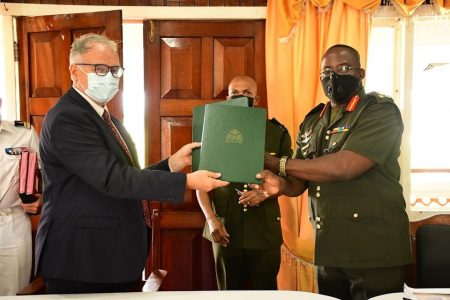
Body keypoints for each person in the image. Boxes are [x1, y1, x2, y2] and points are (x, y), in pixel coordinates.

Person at [35, 33, 228, 294]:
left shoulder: (106, 118)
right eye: (100, 69)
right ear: (74, 71)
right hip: (82, 258)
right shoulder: (68, 117)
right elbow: (113, 179)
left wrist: (172, 163)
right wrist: (187, 181)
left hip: (108, 256)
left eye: (115, 70)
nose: (110, 76)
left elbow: (126, 175)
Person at [258, 44, 412, 299]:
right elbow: (298, 181)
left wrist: (278, 163)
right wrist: (279, 185)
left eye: (343, 68)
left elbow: (345, 166)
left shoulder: (379, 110)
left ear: (360, 73)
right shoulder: (313, 120)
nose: (334, 76)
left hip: (374, 249)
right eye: (326, 71)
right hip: (330, 248)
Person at [196, 75, 293, 290]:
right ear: (228, 98)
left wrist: (266, 193)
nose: (241, 97)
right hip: (225, 230)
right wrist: (211, 220)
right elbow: (198, 183)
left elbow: (290, 180)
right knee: (228, 294)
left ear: (256, 99)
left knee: (266, 293)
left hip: (264, 231)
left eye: (247, 93)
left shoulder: (276, 133)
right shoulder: (212, 130)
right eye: (235, 94)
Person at [0, 97, 42, 295]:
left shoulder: (23, 134)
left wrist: (42, 199)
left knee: (14, 291)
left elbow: (50, 173)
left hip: (12, 225)